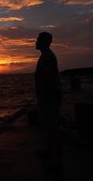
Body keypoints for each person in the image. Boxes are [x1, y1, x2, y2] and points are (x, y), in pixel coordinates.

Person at [35, 32, 62, 169]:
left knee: (52, 127)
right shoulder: (46, 56)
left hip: (49, 98)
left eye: (38, 40)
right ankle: (50, 151)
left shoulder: (47, 57)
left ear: (45, 42)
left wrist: (42, 97)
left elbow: (46, 80)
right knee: (50, 126)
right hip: (50, 97)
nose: (36, 42)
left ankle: (56, 160)